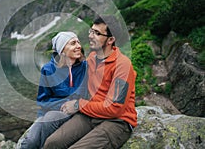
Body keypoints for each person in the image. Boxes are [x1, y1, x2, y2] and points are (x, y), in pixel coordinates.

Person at [43, 16, 137, 149]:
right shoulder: (92, 58)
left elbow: (114, 108)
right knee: (51, 143)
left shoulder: (123, 66)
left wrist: (78, 105)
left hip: (117, 121)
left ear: (111, 40)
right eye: (91, 31)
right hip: (91, 114)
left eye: (97, 33)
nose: (91, 36)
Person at [17, 31, 88, 149]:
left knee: (51, 120)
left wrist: (75, 105)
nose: (78, 46)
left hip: (76, 112)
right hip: (53, 111)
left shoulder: (86, 67)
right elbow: (43, 100)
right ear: (62, 50)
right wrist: (63, 105)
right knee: (30, 142)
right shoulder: (48, 69)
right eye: (73, 43)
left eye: (78, 42)